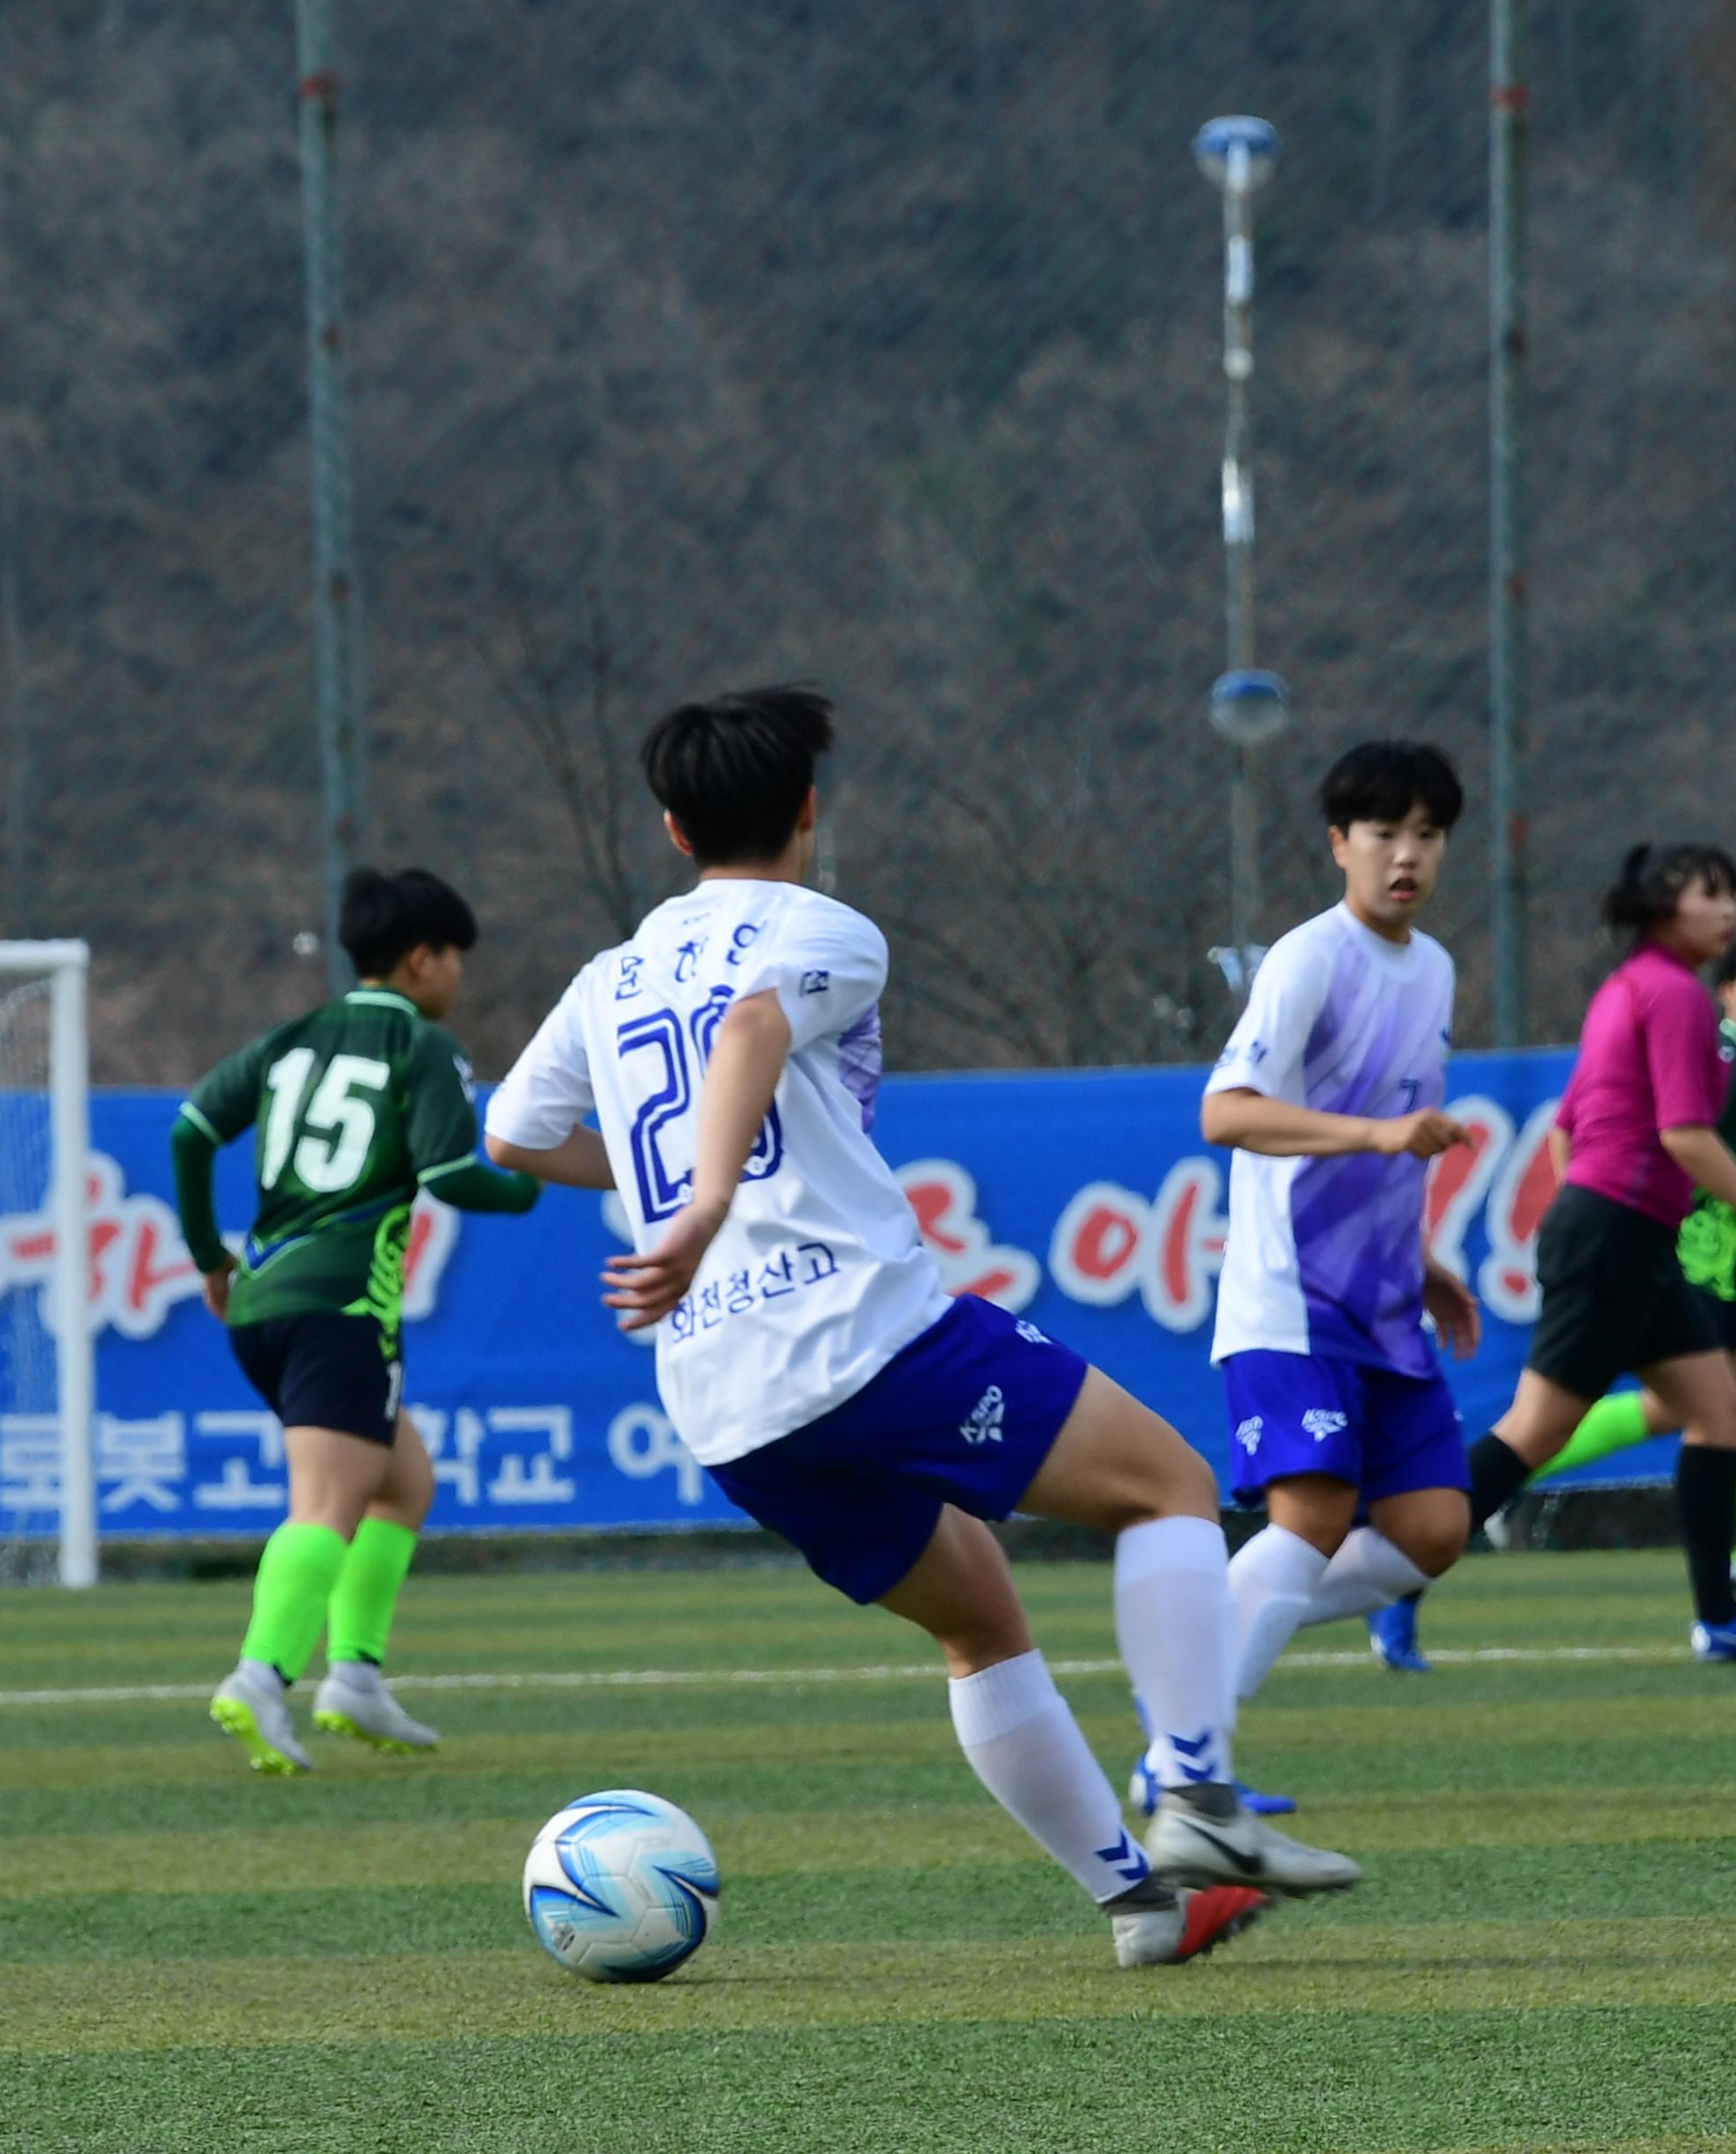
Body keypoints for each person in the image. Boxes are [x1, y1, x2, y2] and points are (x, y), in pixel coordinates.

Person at [485, 685, 1359, 1969]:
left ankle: (1140, 1910)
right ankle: (1197, 1803)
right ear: (809, 811)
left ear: (672, 828)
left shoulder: (606, 980)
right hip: (857, 1333)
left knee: (979, 1622)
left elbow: (509, 1134)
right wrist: (710, 1198)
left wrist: (655, 1192)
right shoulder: (820, 927)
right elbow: (755, 1023)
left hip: (724, 1401)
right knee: (1169, 1488)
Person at [1367, 843, 1736, 1668]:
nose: (1729, 911)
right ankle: (1393, 1581)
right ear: (1663, 911)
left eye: (1733, 895)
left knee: (1719, 1410)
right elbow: (1686, 1136)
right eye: (1711, 895)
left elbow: (1567, 1133)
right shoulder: (1678, 998)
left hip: (1623, 1237)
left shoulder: (1625, 991)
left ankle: (1721, 1621)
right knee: (1537, 1429)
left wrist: (1589, 1211)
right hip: (1615, 1238)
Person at [176, 868, 540, 1774]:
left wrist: (206, 1255)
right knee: (330, 1502)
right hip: (341, 1306)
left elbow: (189, 1131)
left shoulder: (290, 1038)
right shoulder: (421, 1045)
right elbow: (454, 1175)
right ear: (422, 960)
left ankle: (356, 1679)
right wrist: (533, 1183)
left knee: (403, 1481)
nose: (458, 976)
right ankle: (258, 1678)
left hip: (261, 1299)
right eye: (454, 958)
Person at [1193, 740, 1483, 1798]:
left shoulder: (1436, 966)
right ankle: (1189, 1750)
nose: (1406, 855)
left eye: (1428, 834)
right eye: (1384, 833)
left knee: (1432, 1529)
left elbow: (1393, 1139)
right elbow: (1225, 1112)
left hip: (1386, 1303)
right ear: (1338, 845)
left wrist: (1422, 1257)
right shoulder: (1307, 957)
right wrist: (1374, 1136)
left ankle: (1213, 1629)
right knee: (1308, 1518)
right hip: (1290, 1300)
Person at [1519, 926, 1736, 1589]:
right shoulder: (1722, 1051)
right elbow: (1684, 1141)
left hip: (1732, 1267)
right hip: (1692, 1261)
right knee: (1682, 1407)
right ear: (1726, 990)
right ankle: (1505, 1472)